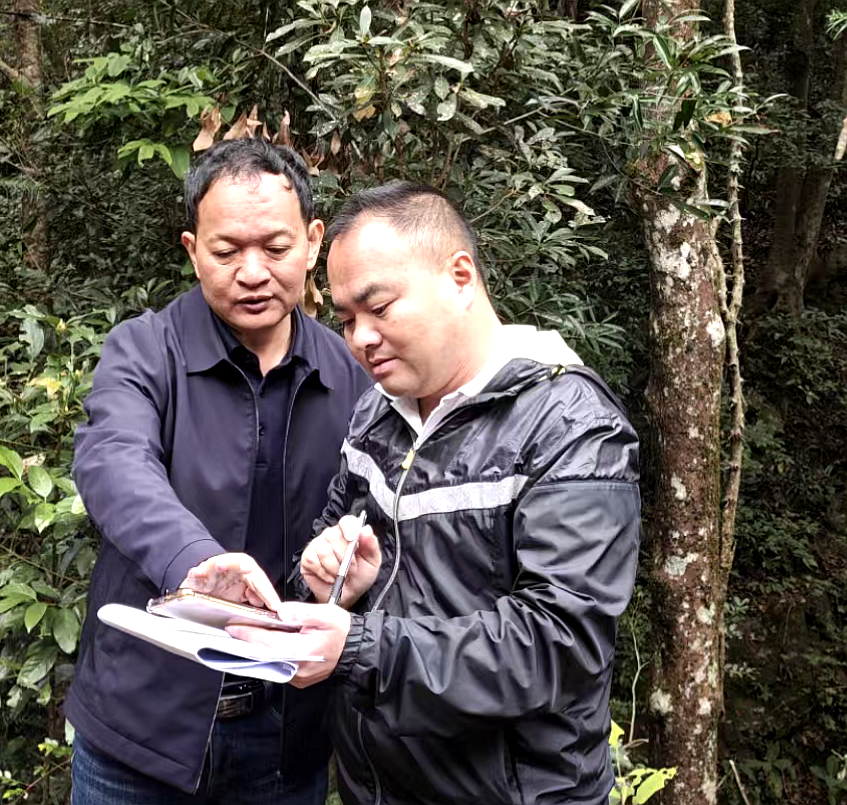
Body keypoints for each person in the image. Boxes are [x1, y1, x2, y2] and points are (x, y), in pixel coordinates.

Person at [225, 182, 642, 805]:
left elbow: (560, 644)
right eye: (347, 320)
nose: (361, 338)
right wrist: (325, 581)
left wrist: (359, 649)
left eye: (379, 308)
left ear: (460, 277)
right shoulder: (376, 414)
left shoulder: (570, 427)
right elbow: (331, 554)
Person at [65, 139, 370, 805]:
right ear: (192, 250)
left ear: (313, 242)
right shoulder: (146, 350)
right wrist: (194, 559)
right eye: (227, 251)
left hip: (285, 736)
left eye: (276, 247)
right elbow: (113, 458)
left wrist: (348, 568)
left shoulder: (351, 373)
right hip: (139, 731)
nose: (252, 272)